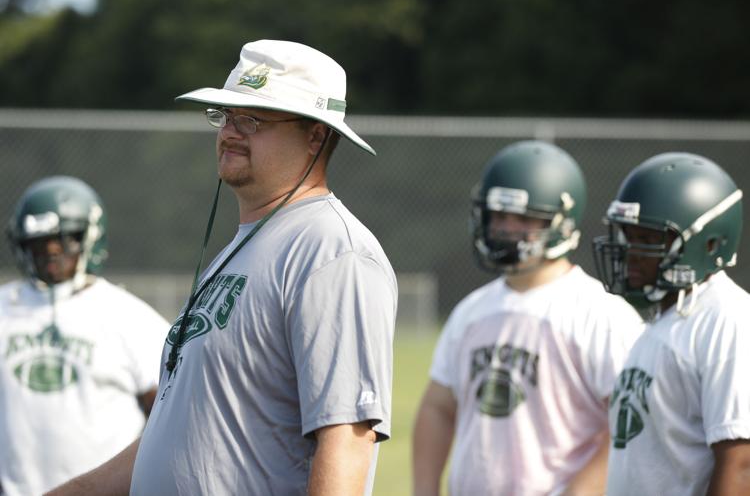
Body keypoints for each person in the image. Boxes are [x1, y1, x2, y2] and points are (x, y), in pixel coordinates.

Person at [50, 40, 397, 496]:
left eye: (253, 119)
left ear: (315, 135)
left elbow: (347, 440)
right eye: (225, 115)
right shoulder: (245, 247)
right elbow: (180, 434)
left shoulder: (332, 251)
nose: (231, 131)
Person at [412, 140, 643, 496]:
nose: (506, 229)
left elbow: (631, 428)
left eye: (524, 218)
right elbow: (438, 407)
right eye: (499, 216)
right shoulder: (471, 311)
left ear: (561, 223)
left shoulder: (601, 314)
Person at [592, 152, 750, 495]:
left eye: (648, 240)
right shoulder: (668, 319)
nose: (631, 251)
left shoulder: (726, 320)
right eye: (628, 236)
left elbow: (741, 463)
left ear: (709, 243)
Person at [0, 176, 168, 496]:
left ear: (90, 237)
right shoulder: (4, 308)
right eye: (40, 241)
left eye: (63, 239)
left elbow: (171, 412)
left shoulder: (128, 316)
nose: (50, 250)